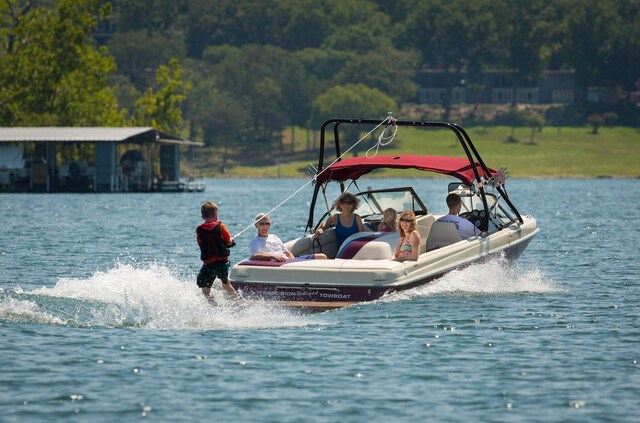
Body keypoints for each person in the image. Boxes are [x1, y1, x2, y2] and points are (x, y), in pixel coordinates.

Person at [196, 201, 238, 299]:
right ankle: (237, 301)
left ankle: (214, 307)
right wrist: (231, 242)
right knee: (226, 284)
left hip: (208, 265)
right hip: (222, 264)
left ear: (202, 216)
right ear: (216, 215)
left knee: (206, 290)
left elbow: (200, 244)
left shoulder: (198, 230)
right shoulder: (221, 226)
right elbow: (228, 242)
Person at [249, 213, 327, 261]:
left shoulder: (274, 237)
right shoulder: (255, 241)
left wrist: (293, 263)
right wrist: (273, 256)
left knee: (322, 257)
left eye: (267, 224)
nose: (265, 227)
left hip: (289, 262)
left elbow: (287, 253)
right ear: (256, 225)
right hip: (278, 264)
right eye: (262, 224)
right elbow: (254, 256)